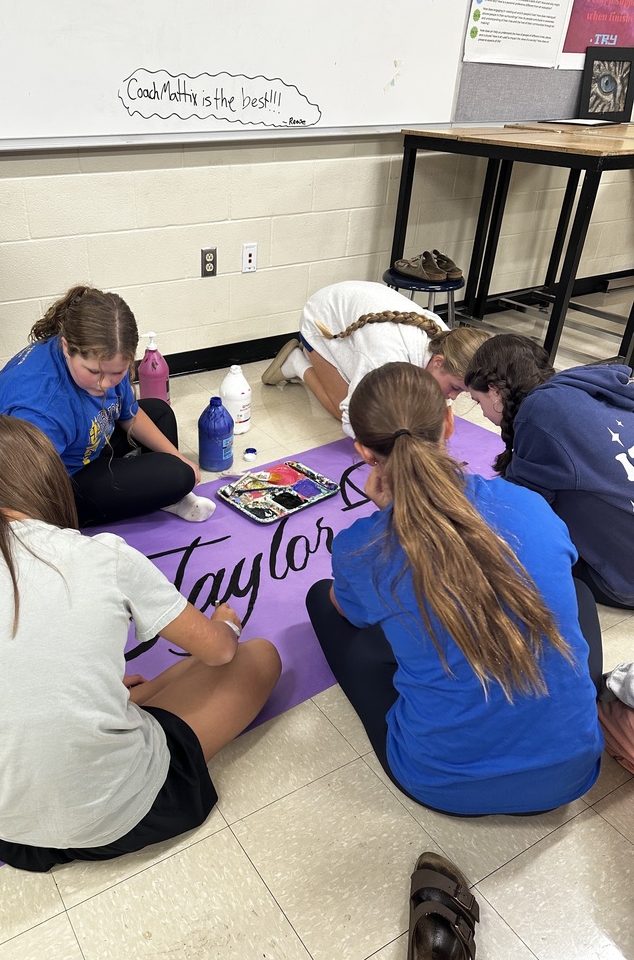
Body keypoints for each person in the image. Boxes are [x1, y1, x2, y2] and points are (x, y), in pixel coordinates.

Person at [0, 415, 281, 872]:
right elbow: (220, 653)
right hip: (124, 813)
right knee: (259, 656)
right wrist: (225, 625)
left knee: (43, 688)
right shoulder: (103, 555)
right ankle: (128, 705)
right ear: (47, 479)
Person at [306, 361, 604, 816]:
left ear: (365, 453)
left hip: (443, 784)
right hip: (572, 776)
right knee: (576, 595)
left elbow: (347, 612)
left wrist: (389, 515)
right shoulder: (527, 503)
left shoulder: (360, 548)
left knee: (327, 604)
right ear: (449, 421)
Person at [0, 285, 215, 527]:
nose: (105, 384)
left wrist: (177, 456)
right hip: (50, 484)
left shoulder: (104, 352)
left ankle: (156, 492)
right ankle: (155, 493)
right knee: (178, 476)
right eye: (93, 372)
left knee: (160, 412)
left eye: (117, 373)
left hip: (78, 447)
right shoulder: (41, 409)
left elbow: (129, 414)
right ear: (66, 348)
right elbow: (20, 495)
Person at [465, 332, 634, 609]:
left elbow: (520, 513)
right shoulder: (583, 388)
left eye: (477, 400)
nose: (481, 412)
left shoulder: (539, 412)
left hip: (624, 581)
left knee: (523, 547)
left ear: (495, 391)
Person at [261, 280, 488, 437]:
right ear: (438, 362)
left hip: (359, 316)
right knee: (349, 411)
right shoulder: (386, 356)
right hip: (321, 320)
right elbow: (352, 418)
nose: (454, 398)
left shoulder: (447, 341)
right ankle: (296, 362)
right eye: (455, 388)